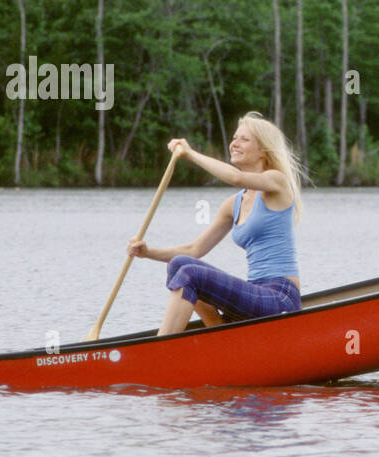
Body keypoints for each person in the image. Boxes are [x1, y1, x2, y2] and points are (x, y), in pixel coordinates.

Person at [127, 112, 305, 335]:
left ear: (263, 150)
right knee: (179, 264)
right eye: (234, 138)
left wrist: (190, 154)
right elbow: (194, 249)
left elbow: (236, 178)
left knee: (191, 274)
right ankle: (220, 332)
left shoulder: (276, 181)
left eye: (244, 139)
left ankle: (159, 349)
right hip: (256, 292)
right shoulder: (233, 204)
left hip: (281, 298)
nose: (234, 144)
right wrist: (147, 252)